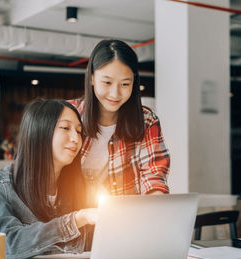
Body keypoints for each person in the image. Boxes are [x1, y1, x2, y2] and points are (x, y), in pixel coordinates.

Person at [0, 99, 96, 259]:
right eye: (65, 128)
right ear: (39, 131)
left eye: (78, 131)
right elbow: (7, 244)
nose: (76, 139)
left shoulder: (84, 186)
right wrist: (76, 220)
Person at [69, 39, 170, 205]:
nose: (115, 94)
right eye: (107, 82)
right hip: (71, 222)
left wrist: (155, 208)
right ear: (92, 78)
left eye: (125, 84)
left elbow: (154, 176)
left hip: (123, 222)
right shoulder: (67, 115)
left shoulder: (146, 121)